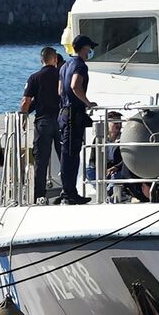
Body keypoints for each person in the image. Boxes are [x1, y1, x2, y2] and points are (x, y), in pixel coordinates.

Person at [58, 35, 98, 205]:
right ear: (84, 48)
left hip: (64, 112)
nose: (90, 52)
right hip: (74, 114)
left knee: (67, 153)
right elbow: (75, 85)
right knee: (71, 154)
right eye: (89, 48)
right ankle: (69, 193)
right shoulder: (80, 65)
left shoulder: (65, 65)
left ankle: (67, 190)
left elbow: (60, 90)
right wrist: (87, 102)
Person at [21, 46, 61, 202]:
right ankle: (69, 190)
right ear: (55, 59)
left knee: (41, 160)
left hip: (43, 122)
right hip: (61, 121)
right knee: (64, 156)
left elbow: (26, 101)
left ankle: (39, 195)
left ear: (41, 60)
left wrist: (23, 118)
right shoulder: (61, 75)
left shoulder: (35, 77)